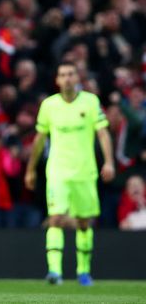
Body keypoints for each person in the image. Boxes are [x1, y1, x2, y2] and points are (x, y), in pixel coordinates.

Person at [25, 60, 115, 287]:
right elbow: (39, 139)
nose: (66, 78)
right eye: (62, 74)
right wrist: (30, 169)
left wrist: (109, 163)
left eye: (70, 74)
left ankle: (83, 272)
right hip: (58, 171)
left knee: (84, 223)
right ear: (57, 80)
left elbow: (103, 134)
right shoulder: (49, 105)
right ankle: (54, 271)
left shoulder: (91, 102)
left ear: (77, 78)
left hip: (85, 172)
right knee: (55, 218)